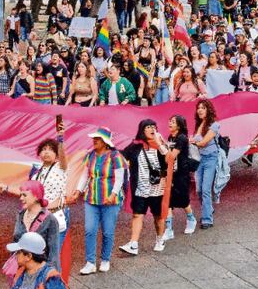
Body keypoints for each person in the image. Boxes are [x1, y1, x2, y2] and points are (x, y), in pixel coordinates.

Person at [67, 128, 127, 275]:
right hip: (92, 198)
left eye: (98, 139)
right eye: (94, 138)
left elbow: (119, 178)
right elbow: (85, 175)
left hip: (110, 200)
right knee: (89, 230)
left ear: (105, 142)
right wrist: (77, 191)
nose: (94, 141)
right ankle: (90, 262)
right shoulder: (91, 155)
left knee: (107, 231)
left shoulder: (115, 156)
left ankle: (105, 259)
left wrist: (113, 194)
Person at [119, 119, 170, 255]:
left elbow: (169, 160)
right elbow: (122, 156)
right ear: (142, 130)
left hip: (157, 188)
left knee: (158, 216)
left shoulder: (160, 145)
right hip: (141, 188)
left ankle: (160, 239)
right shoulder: (136, 146)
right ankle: (134, 244)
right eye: (148, 127)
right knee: (137, 215)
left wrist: (160, 144)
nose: (152, 129)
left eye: (154, 126)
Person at [164, 115, 196, 239]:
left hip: (182, 173)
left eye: (173, 122)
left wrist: (162, 148)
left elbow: (171, 156)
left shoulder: (182, 138)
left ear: (179, 125)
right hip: (171, 172)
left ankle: (191, 219)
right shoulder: (170, 137)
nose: (170, 123)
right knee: (169, 200)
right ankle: (169, 229)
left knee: (183, 200)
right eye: (170, 121)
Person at [192, 99, 221, 228]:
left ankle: (207, 219)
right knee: (198, 190)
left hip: (211, 158)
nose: (200, 110)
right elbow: (196, 142)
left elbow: (203, 142)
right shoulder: (199, 124)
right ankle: (208, 208)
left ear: (208, 110)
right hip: (199, 159)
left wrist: (191, 142)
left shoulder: (214, 125)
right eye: (198, 108)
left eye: (203, 107)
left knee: (205, 189)